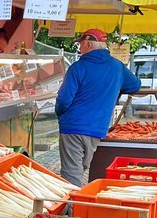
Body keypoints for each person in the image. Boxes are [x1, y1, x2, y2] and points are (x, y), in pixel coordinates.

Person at [55, 29, 141, 187]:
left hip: (73, 127)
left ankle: (71, 209)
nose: (80, 48)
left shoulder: (78, 67)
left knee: (71, 174)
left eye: (80, 44)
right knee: (80, 168)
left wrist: (60, 114)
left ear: (87, 43)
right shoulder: (117, 67)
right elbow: (135, 85)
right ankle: (75, 205)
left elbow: (63, 100)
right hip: (97, 129)